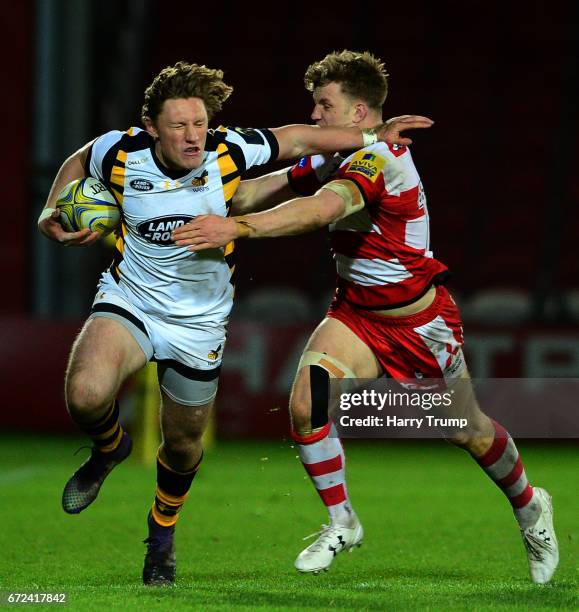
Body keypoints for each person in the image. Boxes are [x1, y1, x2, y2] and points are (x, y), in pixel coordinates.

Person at [37, 60, 432, 587]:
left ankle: (161, 535)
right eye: (178, 125)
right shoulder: (120, 150)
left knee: (182, 446)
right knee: (86, 393)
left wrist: (372, 134)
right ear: (151, 127)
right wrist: (50, 211)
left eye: (199, 123)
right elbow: (80, 158)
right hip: (131, 299)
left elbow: (295, 138)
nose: (192, 135)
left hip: (200, 323)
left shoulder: (229, 149)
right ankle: (110, 447)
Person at [172, 50, 559, 584]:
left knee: (465, 430)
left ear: (358, 113)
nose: (313, 116)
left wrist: (237, 232)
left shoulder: (382, 159)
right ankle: (341, 521)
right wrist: (179, 188)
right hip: (357, 315)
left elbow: (320, 211)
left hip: (418, 323)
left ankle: (530, 506)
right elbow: (258, 192)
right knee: (308, 403)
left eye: (323, 106)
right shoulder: (339, 153)